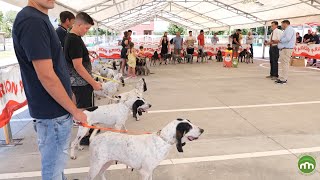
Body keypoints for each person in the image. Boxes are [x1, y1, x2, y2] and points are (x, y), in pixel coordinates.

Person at [12, 0, 87, 179]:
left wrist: (69, 96)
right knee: (53, 169)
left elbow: (54, 68)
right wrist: (74, 110)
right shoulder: (32, 21)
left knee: (57, 165)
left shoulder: (39, 18)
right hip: (52, 113)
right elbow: (46, 75)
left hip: (55, 111)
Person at [64, 12, 102, 145]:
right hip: (81, 83)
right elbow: (78, 66)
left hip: (80, 82)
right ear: (78, 24)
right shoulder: (73, 39)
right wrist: (93, 83)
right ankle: (85, 137)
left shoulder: (74, 38)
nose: (86, 31)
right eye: (86, 28)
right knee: (86, 110)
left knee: (85, 109)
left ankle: (86, 134)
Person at [273, 20, 296, 84]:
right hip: (284, 49)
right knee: (283, 64)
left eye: (282, 24)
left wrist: (279, 40)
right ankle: (282, 77)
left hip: (286, 49)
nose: (281, 26)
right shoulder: (287, 30)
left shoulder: (289, 29)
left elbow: (287, 38)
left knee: (285, 64)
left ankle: (284, 79)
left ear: (285, 24)